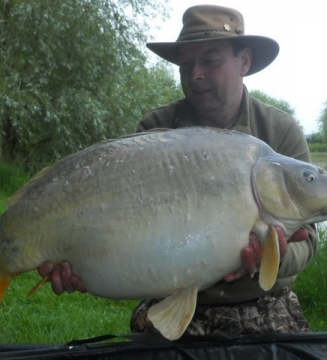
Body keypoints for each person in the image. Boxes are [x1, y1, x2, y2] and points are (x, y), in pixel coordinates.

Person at [38, 5, 317, 336]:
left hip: (262, 300)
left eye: (210, 61)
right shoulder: (156, 130)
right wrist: (79, 258)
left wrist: (276, 257)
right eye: (186, 63)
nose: (195, 73)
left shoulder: (280, 132)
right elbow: (122, 226)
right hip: (170, 297)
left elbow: (309, 239)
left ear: (244, 62)